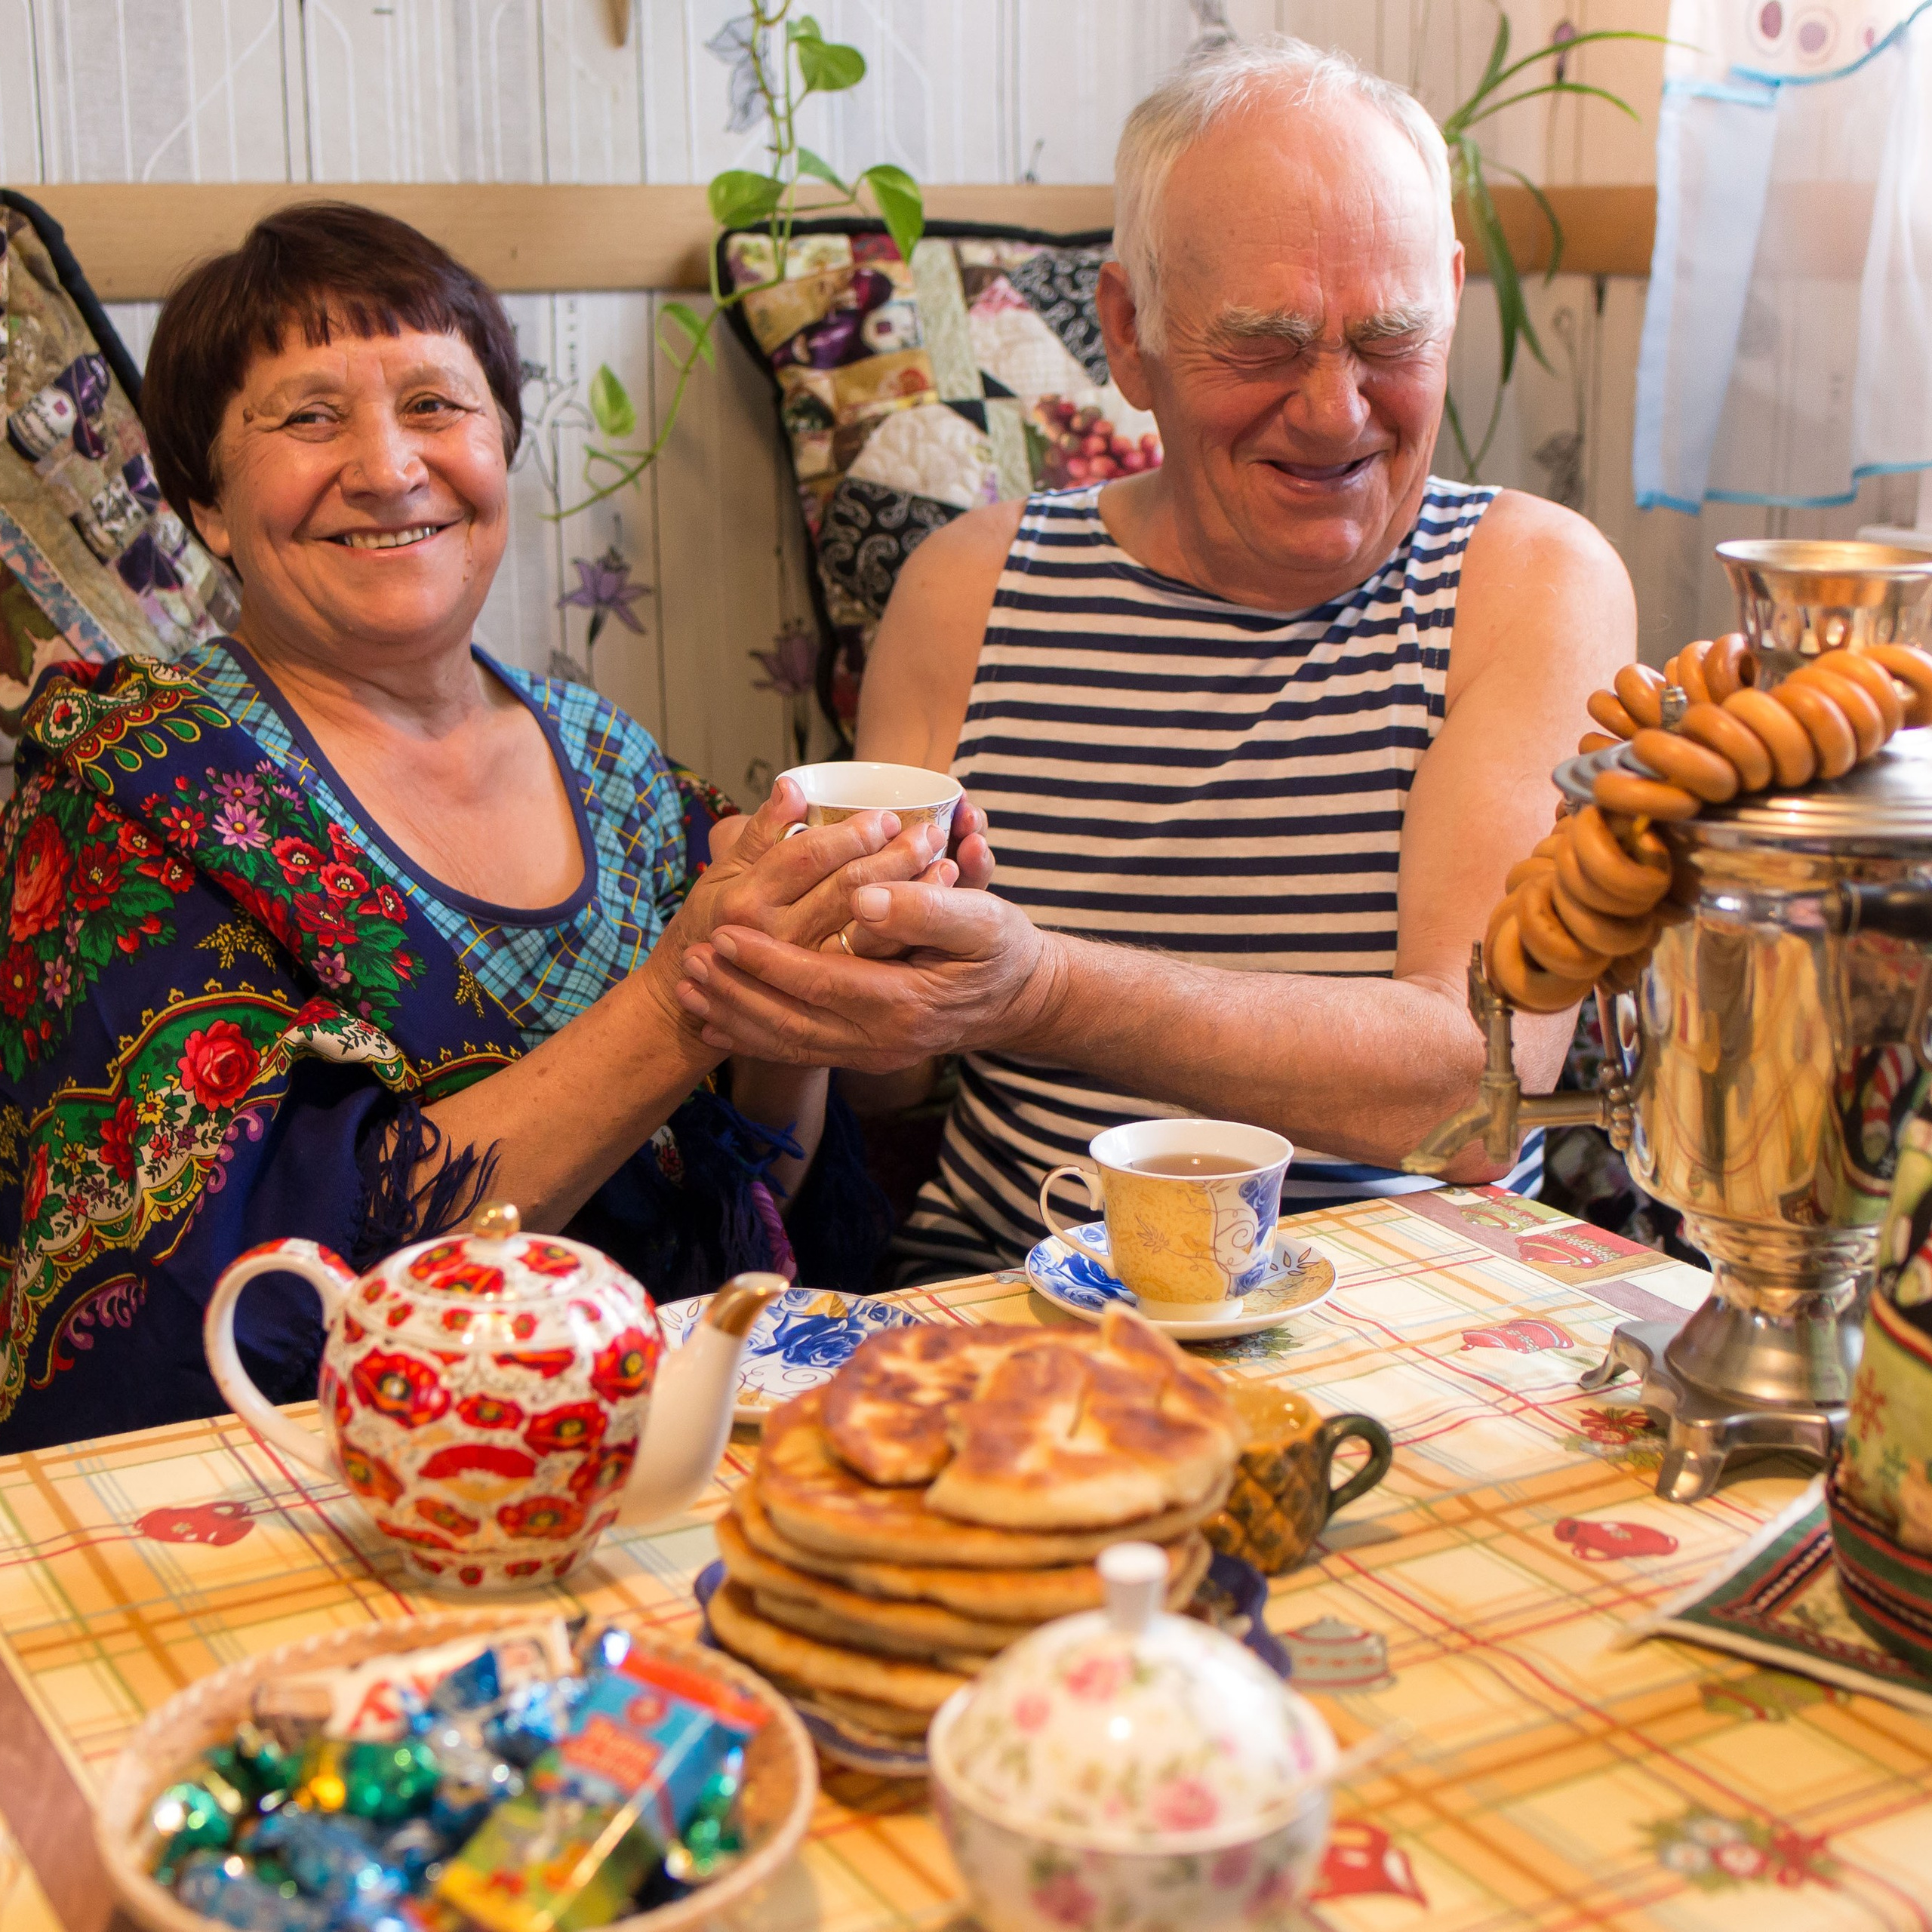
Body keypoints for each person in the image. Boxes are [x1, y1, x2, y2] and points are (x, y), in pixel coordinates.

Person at [670, 38, 1636, 1278]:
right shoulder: (970, 587)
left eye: (1391, 339)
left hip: (1411, 1315)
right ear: (1131, 333)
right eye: (1267, 345)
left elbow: (1469, 1089)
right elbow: (886, 1078)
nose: (1339, 410)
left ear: (1450, 297)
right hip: (1004, 1290)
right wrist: (792, 963)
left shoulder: (1528, 582)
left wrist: (1039, 989)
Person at [0, 204, 949, 1450]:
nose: (391, 468)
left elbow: (755, 1219)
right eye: (308, 416)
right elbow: (219, 1303)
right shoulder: (137, 789)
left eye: (438, 407)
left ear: (501, 445)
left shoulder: (619, 770)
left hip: (673, 1464)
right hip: (350, 1491)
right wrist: (683, 999)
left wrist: (810, 976)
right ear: (210, 508)